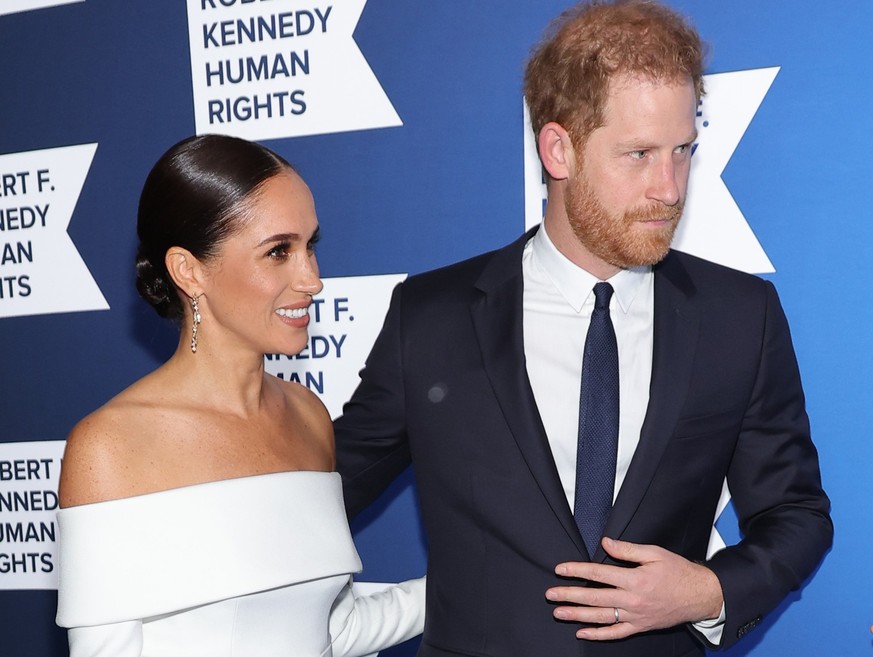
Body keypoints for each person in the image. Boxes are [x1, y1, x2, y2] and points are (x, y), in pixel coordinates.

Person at [334, 2, 831, 656]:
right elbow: (321, 495)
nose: (669, 187)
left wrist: (707, 591)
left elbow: (795, 515)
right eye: (638, 153)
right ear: (558, 148)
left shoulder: (739, 315)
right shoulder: (430, 318)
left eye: (683, 150)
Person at [55, 134, 425, 657]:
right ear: (189, 271)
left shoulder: (307, 415)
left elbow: (329, 631)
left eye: (310, 245)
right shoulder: (112, 445)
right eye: (278, 251)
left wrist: (476, 581)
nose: (312, 279)